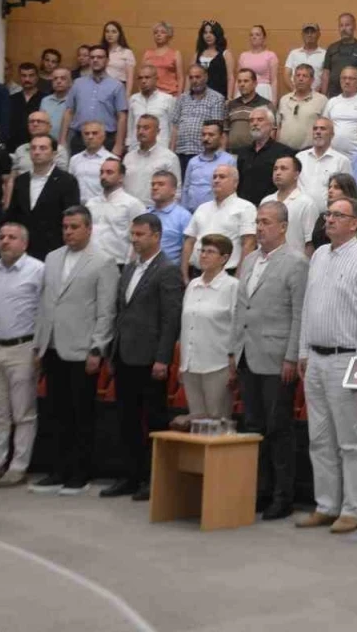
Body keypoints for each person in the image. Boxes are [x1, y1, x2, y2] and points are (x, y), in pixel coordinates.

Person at [295, 195, 357, 533]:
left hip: (346, 359)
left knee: (349, 441)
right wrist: (303, 350)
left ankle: (351, 509)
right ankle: (326, 505)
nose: (329, 219)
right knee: (318, 438)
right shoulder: (319, 255)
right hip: (315, 359)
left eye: (338, 215)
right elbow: (308, 306)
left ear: (354, 223)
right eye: (328, 214)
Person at [31, 205, 118, 495]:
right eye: (65, 227)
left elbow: (106, 310)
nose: (68, 232)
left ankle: (80, 473)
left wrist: (97, 348)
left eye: (74, 227)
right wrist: (39, 344)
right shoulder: (52, 257)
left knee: (81, 413)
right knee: (56, 411)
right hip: (52, 344)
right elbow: (45, 303)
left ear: (89, 229)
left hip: (82, 347)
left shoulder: (103, 261)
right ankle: (58, 470)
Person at [233, 201, 307, 520]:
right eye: (258, 222)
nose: (260, 227)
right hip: (247, 354)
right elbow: (241, 309)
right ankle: (260, 491)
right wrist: (233, 351)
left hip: (277, 358)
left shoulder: (296, 263)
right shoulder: (249, 260)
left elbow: (299, 314)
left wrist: (292, 356)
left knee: (278, 428)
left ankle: (282, 496)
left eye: (266, 222)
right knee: (253, 427)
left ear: (283, 227)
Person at [101, 214, 182, 501]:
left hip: (150, 359)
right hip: (125, 354)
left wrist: (163, 358)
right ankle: (129, 476)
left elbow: (170, 319)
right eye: (132, 234)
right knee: (127, 419)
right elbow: (121, 312)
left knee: (154, 419)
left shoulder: (168, 270)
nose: (134, 239)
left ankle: (154, 478)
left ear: (156, 236)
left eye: (140, 234)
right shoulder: (129, 268)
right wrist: (112, 350)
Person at [0, 223, 44, 488]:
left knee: (23, 412)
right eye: (1, 237)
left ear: (24, 243)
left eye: (12, 237)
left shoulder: (38, 270)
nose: (5, 241)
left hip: (23, 347)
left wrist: (39, 348)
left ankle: (18, 466)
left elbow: (44, 312)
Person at [179, 234, 238, 421]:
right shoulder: (193, 285)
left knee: (217, 421)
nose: (204, 255)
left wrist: (233, 363)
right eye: (202, 251)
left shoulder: (232, 286)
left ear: (224, 258)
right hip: (190, 364)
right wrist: (182, 363)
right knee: (196, 421)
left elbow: (237, 327)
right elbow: (186, 326)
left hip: (218, 365)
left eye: (210, 252)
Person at [5, 134, 81, 261]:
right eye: (33, 148)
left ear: (54, 153)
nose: (37, 152)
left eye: (42, 148)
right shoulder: (21, 181)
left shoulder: (67, 181)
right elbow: (13, 215)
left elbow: (71, 217)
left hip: (53, 248)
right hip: (23, 250)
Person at [182, 164, 256, 278]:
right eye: (214, 177)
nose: (216, 180)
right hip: (197, 274)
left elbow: (249, 243)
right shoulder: (202, 208)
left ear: (235, 183)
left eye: (222, 177)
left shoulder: (245, 208)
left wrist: (238, 277)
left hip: (227, 274)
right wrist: (184, 275)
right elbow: (189, 241)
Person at [60, 45, 126, 157]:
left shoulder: (117, 86)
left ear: (107, 60)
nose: (95, 60)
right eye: (92, 57)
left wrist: (119, 144)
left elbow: (122, 117)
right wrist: (62, 141)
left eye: (100, 57)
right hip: (80, 139)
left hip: (106, 140)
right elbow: (69, 112)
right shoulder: (77, 83)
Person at [86, 158, 147, 267]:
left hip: (119, 264)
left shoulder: (133, 204)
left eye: (109, 172)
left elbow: (139, 239)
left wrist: (129, 267)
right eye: (101, 172)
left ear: (121, 177)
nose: (103, 176)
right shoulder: (91, 204)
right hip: (91, 263)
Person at [171, 63, 227, 173]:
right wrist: (172, 152)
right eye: (191, 78)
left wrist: (218, 157)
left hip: (203, 153)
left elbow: (217, 129)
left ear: (206, 77)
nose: (194, 81)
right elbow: (175, 127)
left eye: (197, 77)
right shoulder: (182, 98)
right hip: (181, 152)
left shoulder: (216, 98)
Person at [261, 156, 320, 256]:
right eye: (275, 169)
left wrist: (304, 264)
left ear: (296, 174)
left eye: (283, 168)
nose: (278, 172)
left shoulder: (306, 203)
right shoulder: (266, 201)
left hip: (294, 262)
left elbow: (310, 243)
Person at [235, 106, 292, 206]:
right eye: (251, 121)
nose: (255, 123)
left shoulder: (283, 152)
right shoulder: (242, 152)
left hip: (270, 207)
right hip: (243, 207)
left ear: (271, 125)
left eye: (260, 120)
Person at [123, 113, 181, 204]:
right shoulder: (128, 158)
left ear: (158, 131)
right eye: (138, 128)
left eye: (146, 128)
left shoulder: (169, 158)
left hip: (155, 209)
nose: (140, 132)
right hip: (129, 208)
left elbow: (176, 191)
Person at [296, 117, 353, 206]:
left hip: (328, 212)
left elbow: (347, 193)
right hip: (300, 210)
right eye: (315, 129)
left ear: (332, 135)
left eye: (322, 129)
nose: (318, 132)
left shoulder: (342, 161)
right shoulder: (300, 157)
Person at [180, 120, 235, 211]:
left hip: (216, 213)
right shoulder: (193, 162)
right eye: (203, 135)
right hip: (191, 214)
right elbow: (186, 189)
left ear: (221, 137)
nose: (206, 138)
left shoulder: (228, 161)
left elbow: (231, 190)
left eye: (211, 135)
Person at [276, 63, 326, 151]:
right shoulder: (284, 99)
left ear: (312, 80)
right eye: (298, 75)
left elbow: (326, 129)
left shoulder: (321, 100)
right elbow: (278, 126)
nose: (300, 79)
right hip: (283, 150)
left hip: (309, 151)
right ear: (293, 78)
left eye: (305, 76)